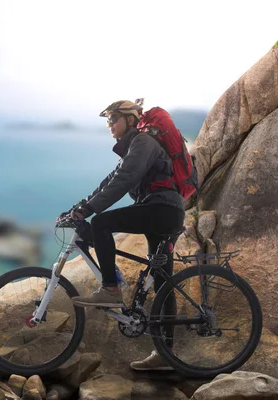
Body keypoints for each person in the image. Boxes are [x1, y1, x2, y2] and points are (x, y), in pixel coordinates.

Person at [58, 99, 185, 370]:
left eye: (113, 119)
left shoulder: (142, 142)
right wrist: (79, 208)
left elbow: (126, 178)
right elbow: (110, 181)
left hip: (162, 209)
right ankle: (166, 357)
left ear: (130, 120)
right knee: (162, 280)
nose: (109, 125)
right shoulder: (133, 147)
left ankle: (111, 289)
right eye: (107, 121)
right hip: (162, 211)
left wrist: (91, 210)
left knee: (102, 223)